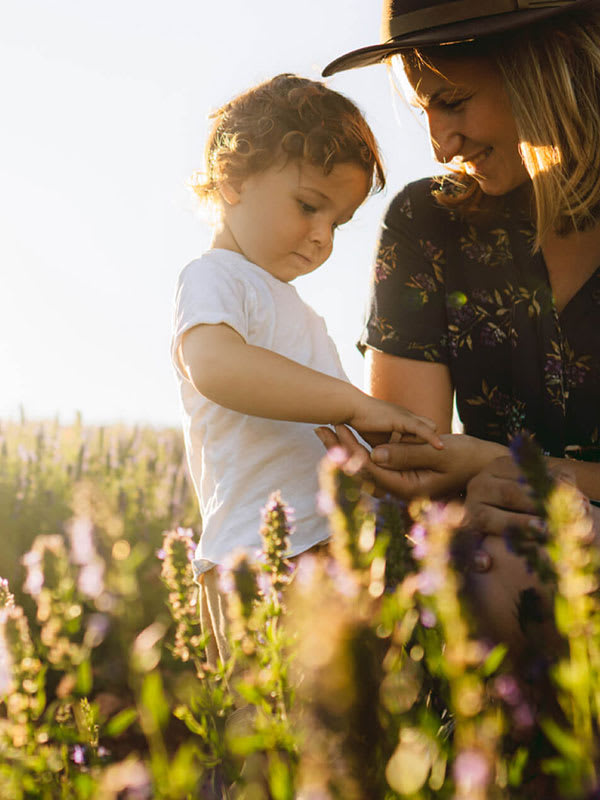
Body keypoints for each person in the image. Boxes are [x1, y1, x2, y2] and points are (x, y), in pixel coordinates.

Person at [319, 0, 600, 650]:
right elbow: (404, 467)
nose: (440, 144)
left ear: (543, 65)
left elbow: (457, 460)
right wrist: (462, 514)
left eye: (453, 101)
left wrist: (507, 466)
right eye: (424, 111)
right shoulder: (429, 225)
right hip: (502, 559)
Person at [171, 74, 443, 665]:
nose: (322, 236)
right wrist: (354, 403)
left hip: (328, 542)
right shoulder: (213, 277)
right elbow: (215, 366)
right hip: (258, 556)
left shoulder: (293, 306)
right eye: (308, 206)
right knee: (269, 727)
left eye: (338, 224)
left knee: (339, 725)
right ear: (233, 178)